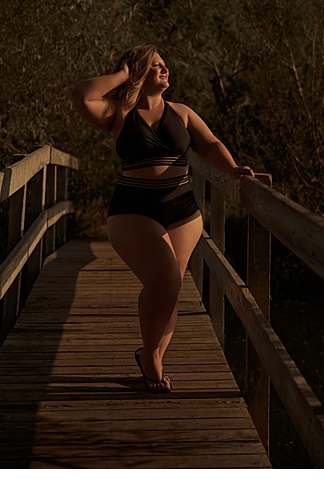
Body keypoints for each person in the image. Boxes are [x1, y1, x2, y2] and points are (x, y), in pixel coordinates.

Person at [71, 45, 254, 393]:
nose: (165, 69)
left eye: (164, 64)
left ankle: (150, 353)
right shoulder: (118, 112)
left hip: (182, 211)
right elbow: (81, 95)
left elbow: (209, 143)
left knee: (169, 289)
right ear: (139, 71)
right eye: (155, 65)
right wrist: (123, 77)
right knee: (166, 281)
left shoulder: (181, 112)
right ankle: (152, 361)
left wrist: (232, 168)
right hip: (133, 210)